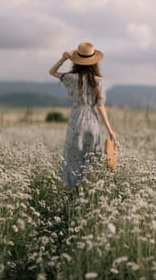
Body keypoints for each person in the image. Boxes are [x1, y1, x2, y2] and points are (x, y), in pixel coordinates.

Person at [49, 42, 116, 189]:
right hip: (92, 124)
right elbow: (100, 106)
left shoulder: (71, 78)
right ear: (94, 62)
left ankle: (72, 192)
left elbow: (52, 72)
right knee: (91, 159)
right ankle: (89, 190)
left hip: (75, 123)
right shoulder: (99, 81)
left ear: (77, 61)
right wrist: (110, 130)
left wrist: (63, 58)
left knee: (72, 160)